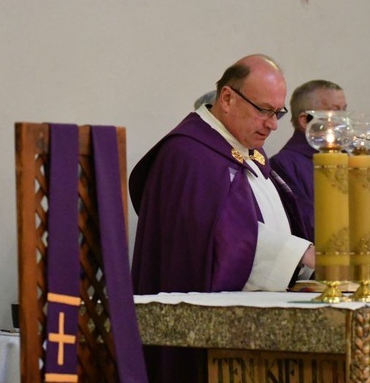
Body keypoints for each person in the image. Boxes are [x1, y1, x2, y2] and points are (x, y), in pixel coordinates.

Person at [131, 54, 313, 382]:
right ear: (227, 98)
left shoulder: (246, 152)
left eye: (278, 113)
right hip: (209, 343)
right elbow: (210, 241)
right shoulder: (189, 155)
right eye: (264, 110)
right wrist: (295, 253)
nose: (272, 124)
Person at [270, 80, 370, 259]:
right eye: (336, 111)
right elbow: (304, 220)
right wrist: (360, 231)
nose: (346, 121)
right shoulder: (283, 164)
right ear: (305, 120)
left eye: (344, 110)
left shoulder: (353, 161)